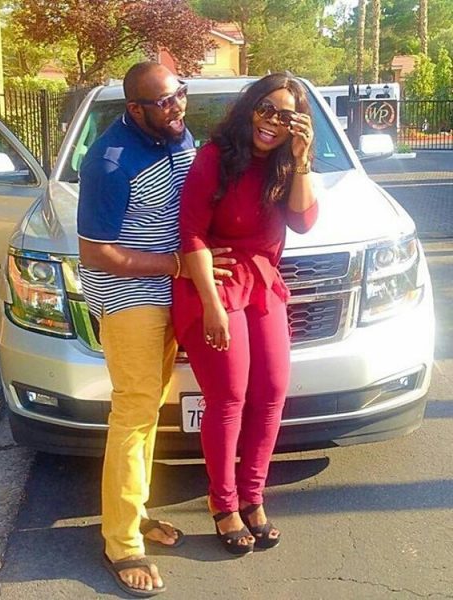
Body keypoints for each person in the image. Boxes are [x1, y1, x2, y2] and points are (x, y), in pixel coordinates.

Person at [77, 62, 233, 596]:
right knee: (135, 411)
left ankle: (135, 513)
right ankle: (121, 542)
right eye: (164, 101)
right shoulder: (109, 161)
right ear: (135, 108)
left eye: (179, 94)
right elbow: (96, 252)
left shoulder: (177, 134)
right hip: (130, 297)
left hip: (173, 291)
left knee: (147, 410)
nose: (177, 106)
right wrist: (176, 266)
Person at [172, 73, 318, 555]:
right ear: (250, 107)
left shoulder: (284, 164)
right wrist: (211, 305)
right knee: (229, 397)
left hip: (262, 284)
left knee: (272, 391)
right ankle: (224, 504)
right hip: (213, 285)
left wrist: (301, 160)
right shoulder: (215, 158)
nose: (273, 122)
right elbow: (191, 233)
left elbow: (303, 221)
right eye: (266, 109)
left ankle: (253, 497)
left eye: (286, 116)